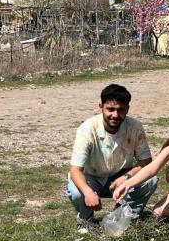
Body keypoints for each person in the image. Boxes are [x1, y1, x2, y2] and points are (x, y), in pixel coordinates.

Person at [67, 84, 158, 226]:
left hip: (121, 177)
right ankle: (86, 220)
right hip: (93, 178)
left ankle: (124, 215)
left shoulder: (135, 127)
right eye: (110, 109)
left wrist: (127, 177)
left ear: (127, 109)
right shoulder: (87, 129)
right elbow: (75, 170)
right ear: (101, 107)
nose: (115, 115)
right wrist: (88, 192)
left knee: (150, 179)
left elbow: (146, 161)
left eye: (121, 110)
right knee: (77, 190)